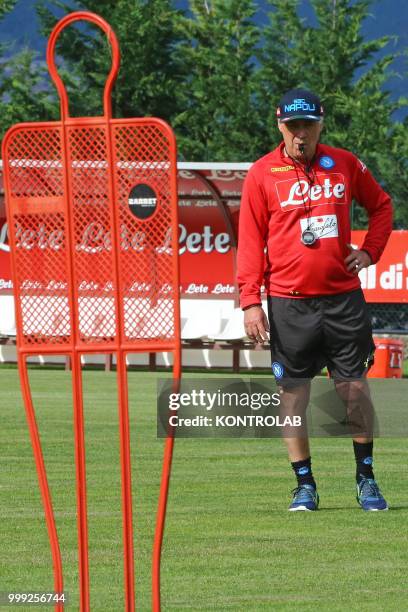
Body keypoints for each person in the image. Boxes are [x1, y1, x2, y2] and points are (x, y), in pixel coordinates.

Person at [237, 88, 393, 512]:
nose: (300, 134)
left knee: (354, 390)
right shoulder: (261, 174)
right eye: (293, 126)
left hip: (342, 299)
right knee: (294, 395)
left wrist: (370, 251)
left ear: (321, 124)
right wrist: (251, 300)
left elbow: (381, 206)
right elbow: (250, 241)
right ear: (279, 125)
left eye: (307, 125)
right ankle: (304, 484)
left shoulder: (343, 164)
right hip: (289, 304)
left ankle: (367, 480)